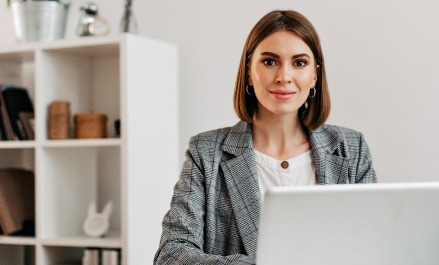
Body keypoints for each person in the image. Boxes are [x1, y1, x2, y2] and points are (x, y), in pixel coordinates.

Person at [154, 9, 377, 265]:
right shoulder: (206, 152)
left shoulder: (352, 148)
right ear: (249, 70)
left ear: (315, 75)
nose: (284, 77)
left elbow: (374, 245)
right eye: (270, 61)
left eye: (299, 63)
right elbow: (171, 255)